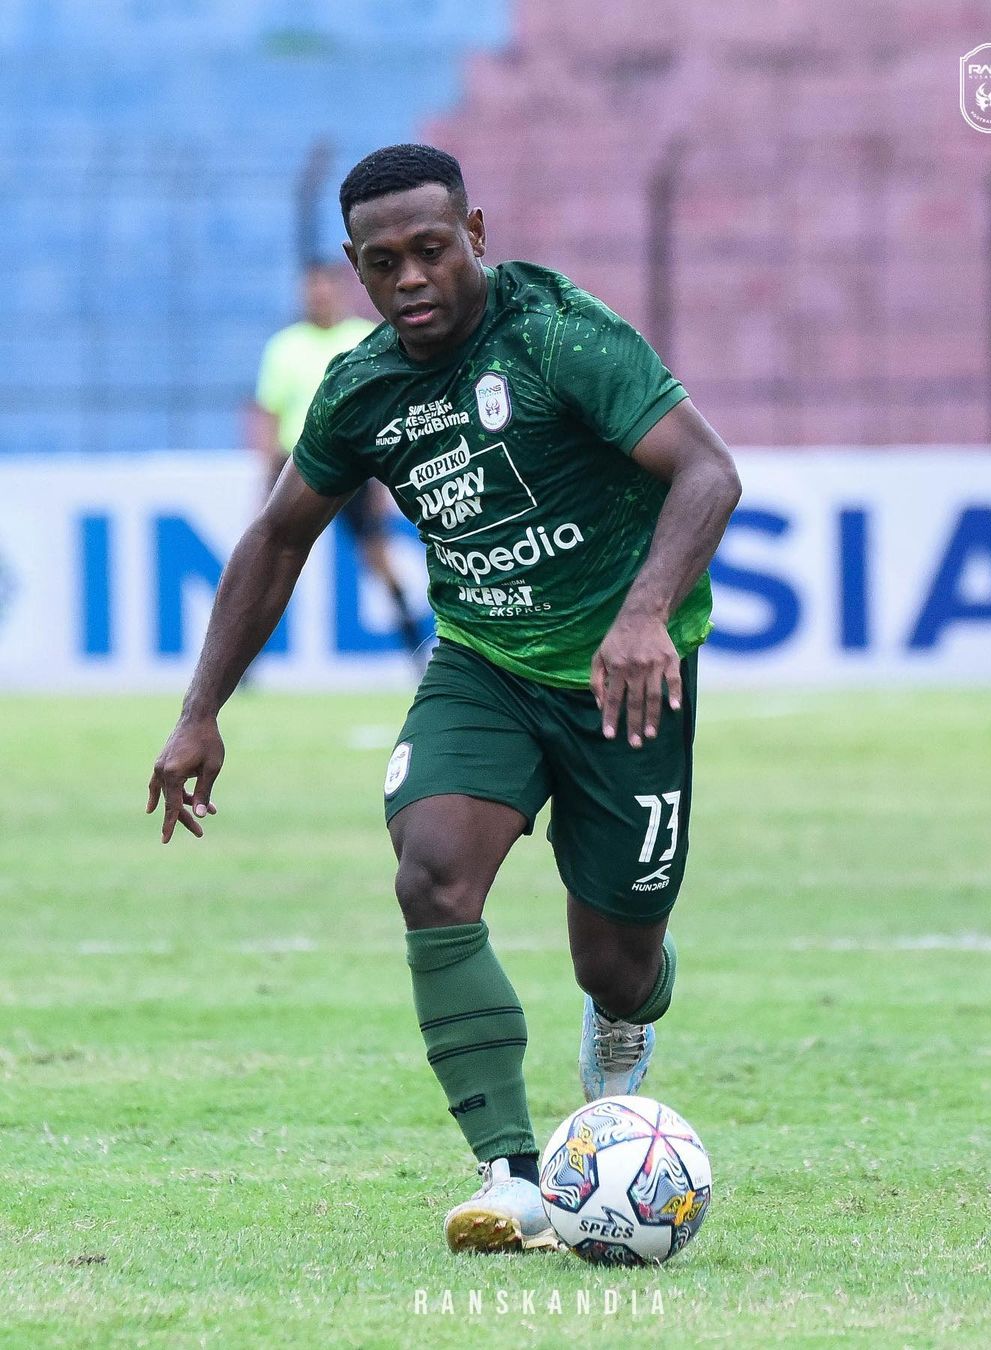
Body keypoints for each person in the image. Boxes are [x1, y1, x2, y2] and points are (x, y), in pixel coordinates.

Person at [147, 143, 742, 1255]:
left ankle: (625, 1012)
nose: (411, 277)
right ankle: (512, 1175)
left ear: (474, 232)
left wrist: (645, 612)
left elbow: (708, 470)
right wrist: (200, 710)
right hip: (484, 663)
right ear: (356, 268)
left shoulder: (559, 335)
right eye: (384, 263)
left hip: (625, 674)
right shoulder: (363, 387)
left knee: (614, 962)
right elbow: (277, 538)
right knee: (431, 871)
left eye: (430, 249)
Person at [249, 258, 425, 668]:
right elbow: (269, 415)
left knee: (378, 557)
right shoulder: (284, 347)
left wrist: (383, 479)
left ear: (340, 289)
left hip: (356, 466)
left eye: (325, 287)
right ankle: (244, 666)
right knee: (273, 562)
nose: (319, 295)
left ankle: (416, 651)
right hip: (296, 467)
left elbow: (385, 413)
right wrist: (266, 476)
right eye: (312, 288)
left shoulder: (363, 339)